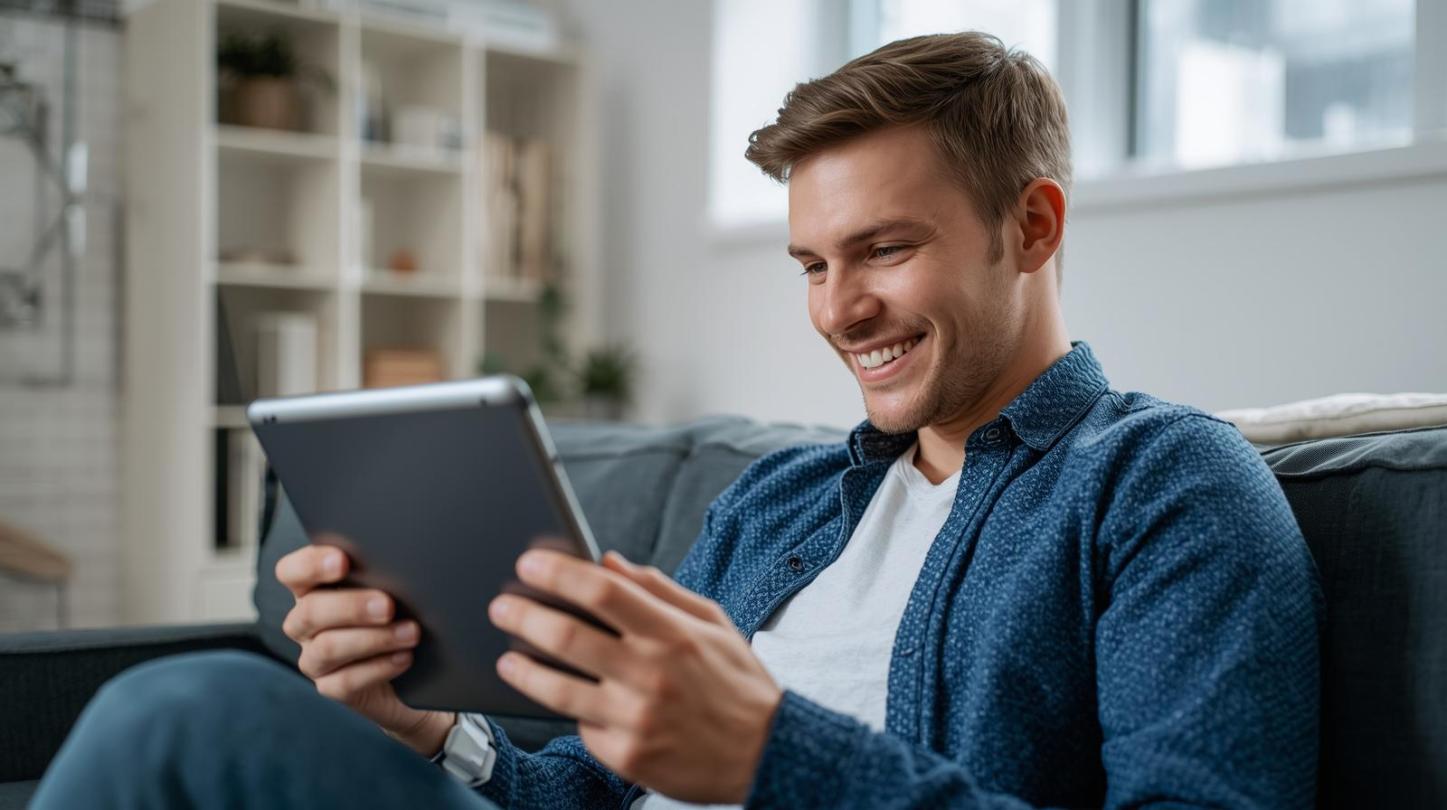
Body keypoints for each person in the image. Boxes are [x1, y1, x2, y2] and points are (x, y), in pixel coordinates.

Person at [32, 31, 1322, 810]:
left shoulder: (1159, 485)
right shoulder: (777, 505)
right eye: (812, 265)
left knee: (179, 714)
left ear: (1031, 227)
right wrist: (428, 726)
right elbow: (593, 792)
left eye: (883, 249)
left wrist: (774, 754)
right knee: (194, 721)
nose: (841, 309)